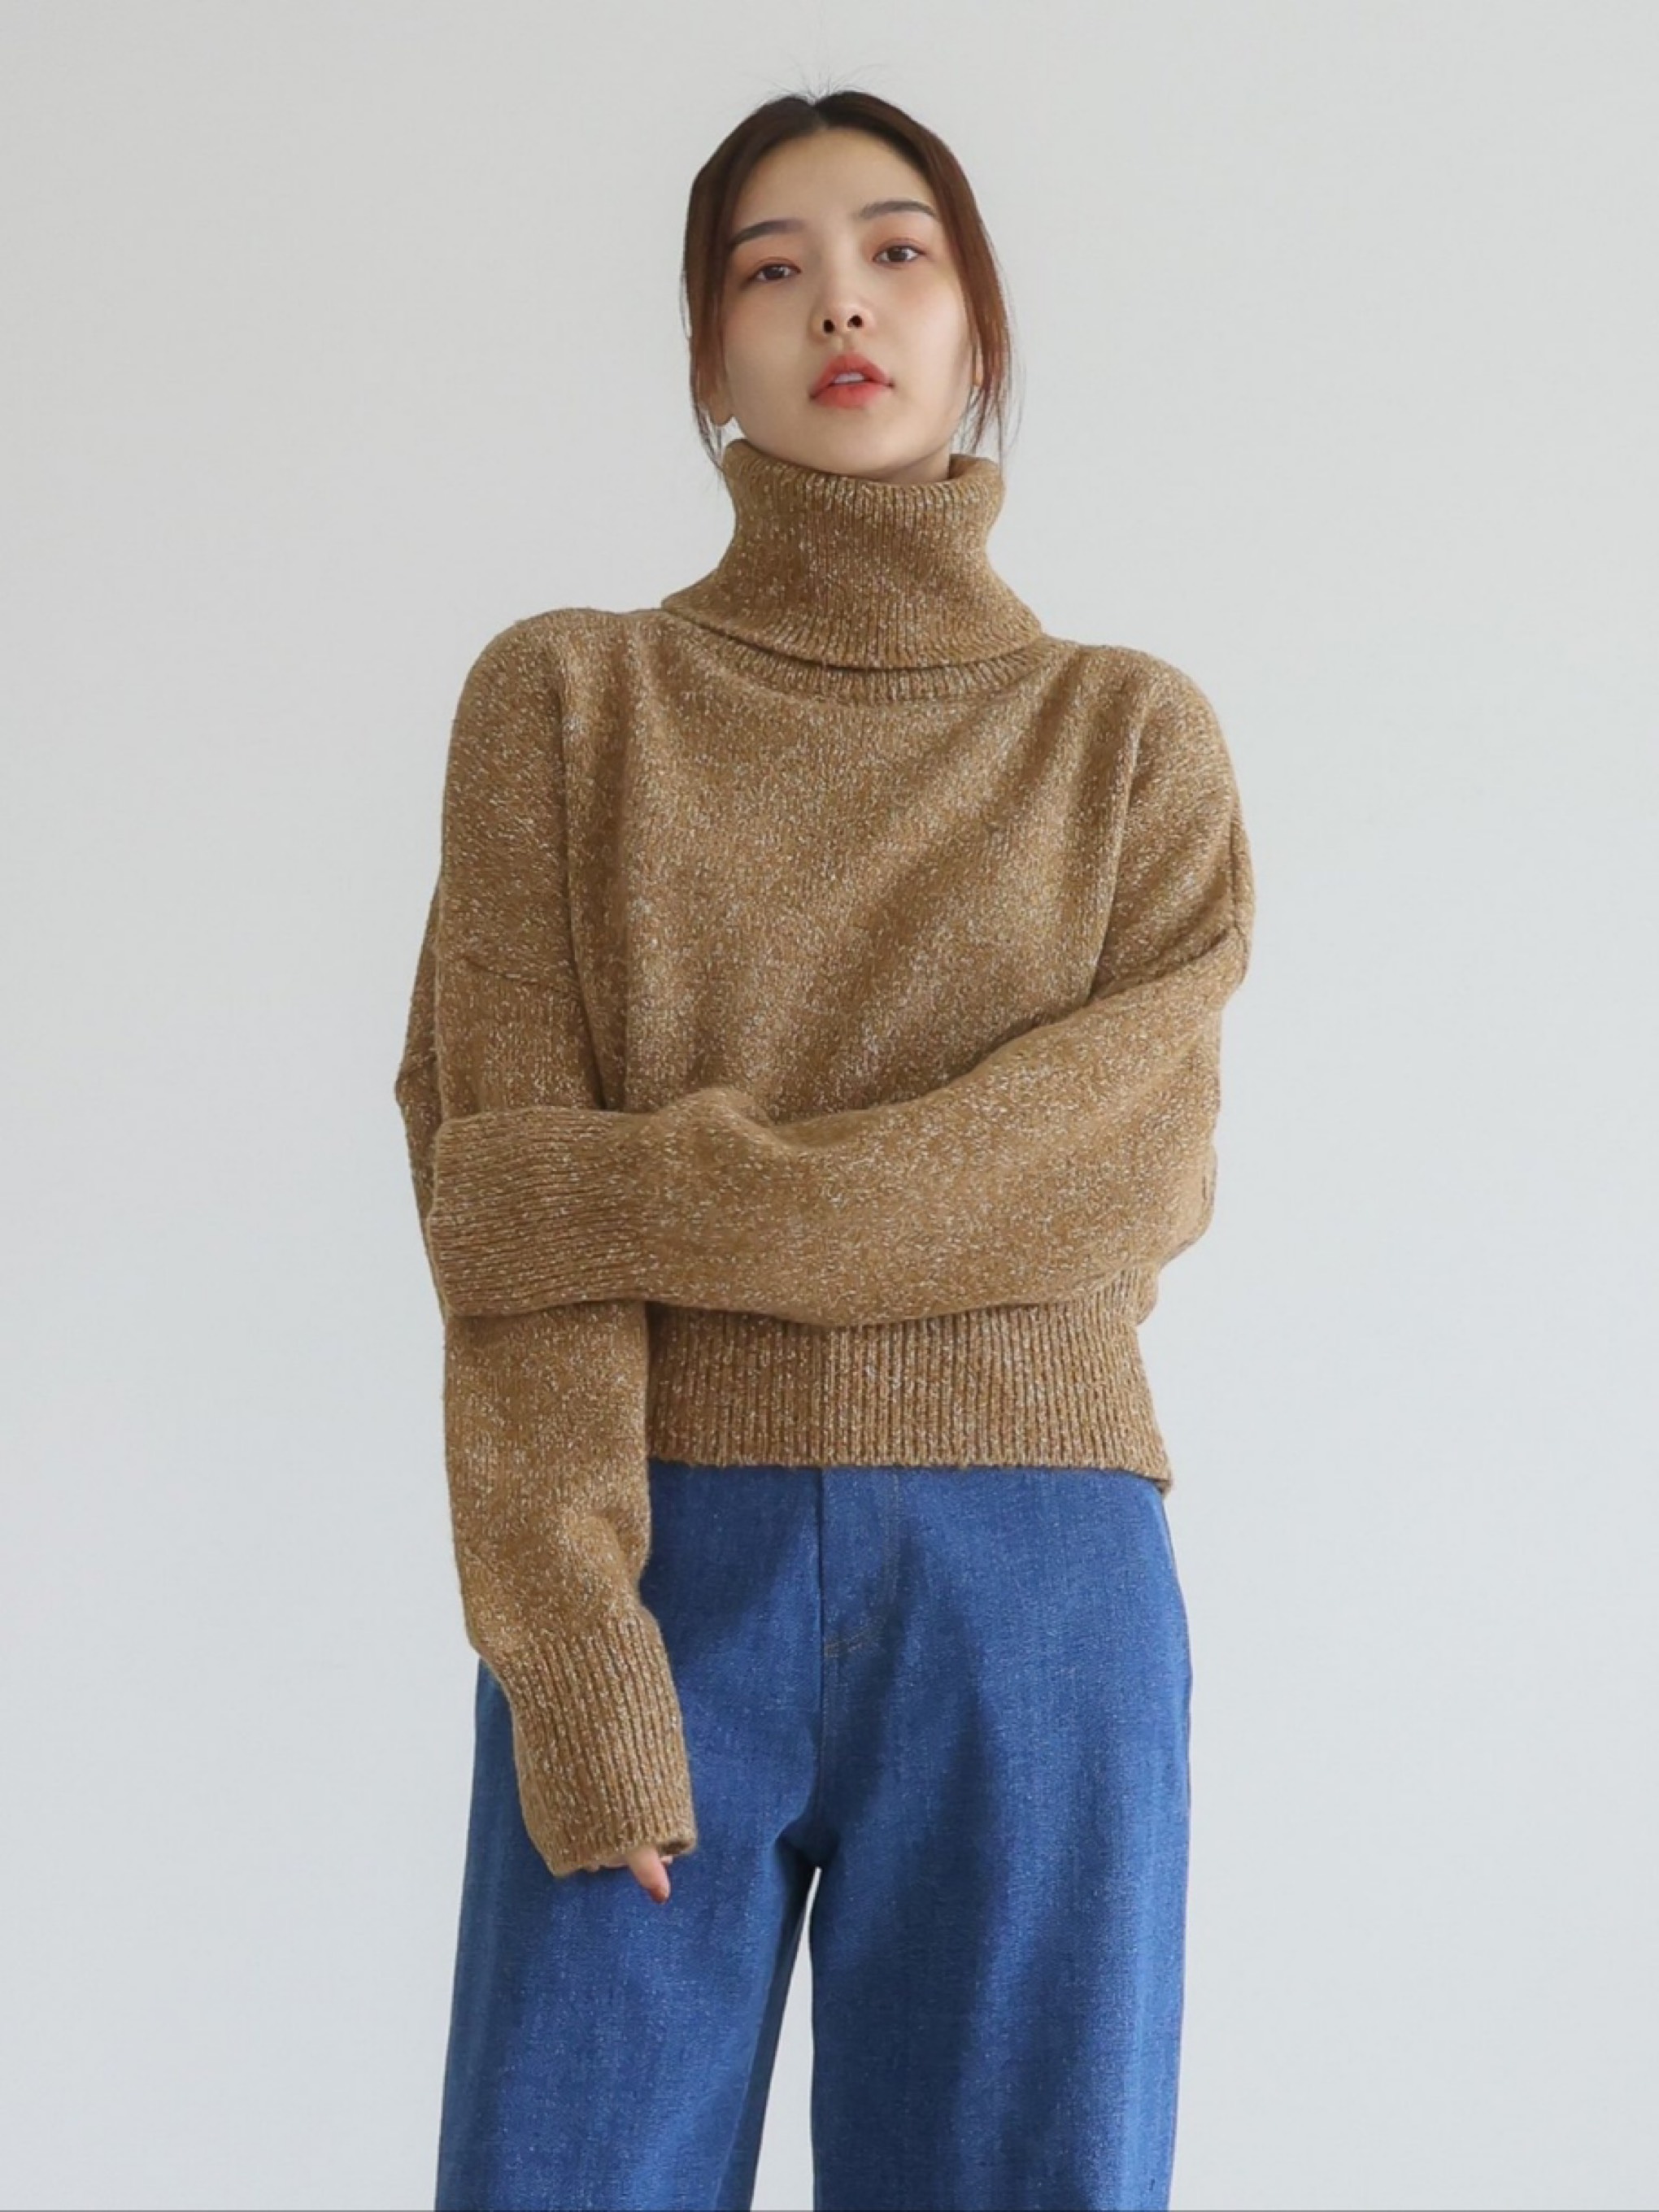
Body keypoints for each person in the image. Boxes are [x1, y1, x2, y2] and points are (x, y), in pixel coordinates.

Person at [394, 84, 1255, 2212]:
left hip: (1034, 1588)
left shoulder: (1125, 739)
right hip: (647, 1556)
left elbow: (1116, 1183)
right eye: (769, 270)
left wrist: (595, 1186)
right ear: (707, 350)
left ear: (979, 322)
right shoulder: (567, 704)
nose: (839, 306)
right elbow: (497, 1235)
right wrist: (576, 1649)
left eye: (898, 253)